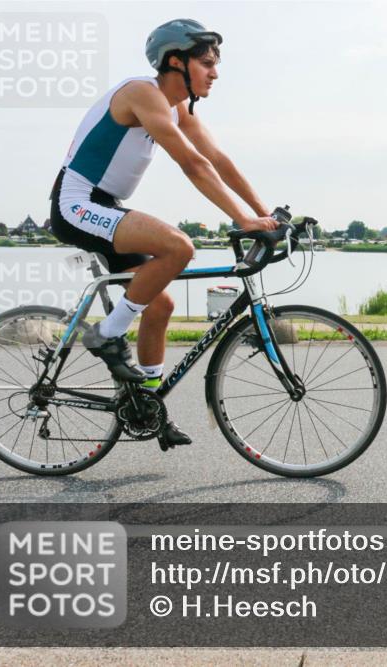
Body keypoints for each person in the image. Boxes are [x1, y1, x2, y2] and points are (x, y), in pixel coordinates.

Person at [48, 19, 278, 448]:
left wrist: (265, 214)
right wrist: (242, 220)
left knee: (161, 301)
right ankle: (106, 335)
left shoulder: (179, 109)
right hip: (77, 202)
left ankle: (146, 407)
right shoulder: (142, 94)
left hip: (106, 206)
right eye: (207, 63)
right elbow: (192, 165)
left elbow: (218, 160)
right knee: (179, 247)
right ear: (176, 61)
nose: (215, 73)